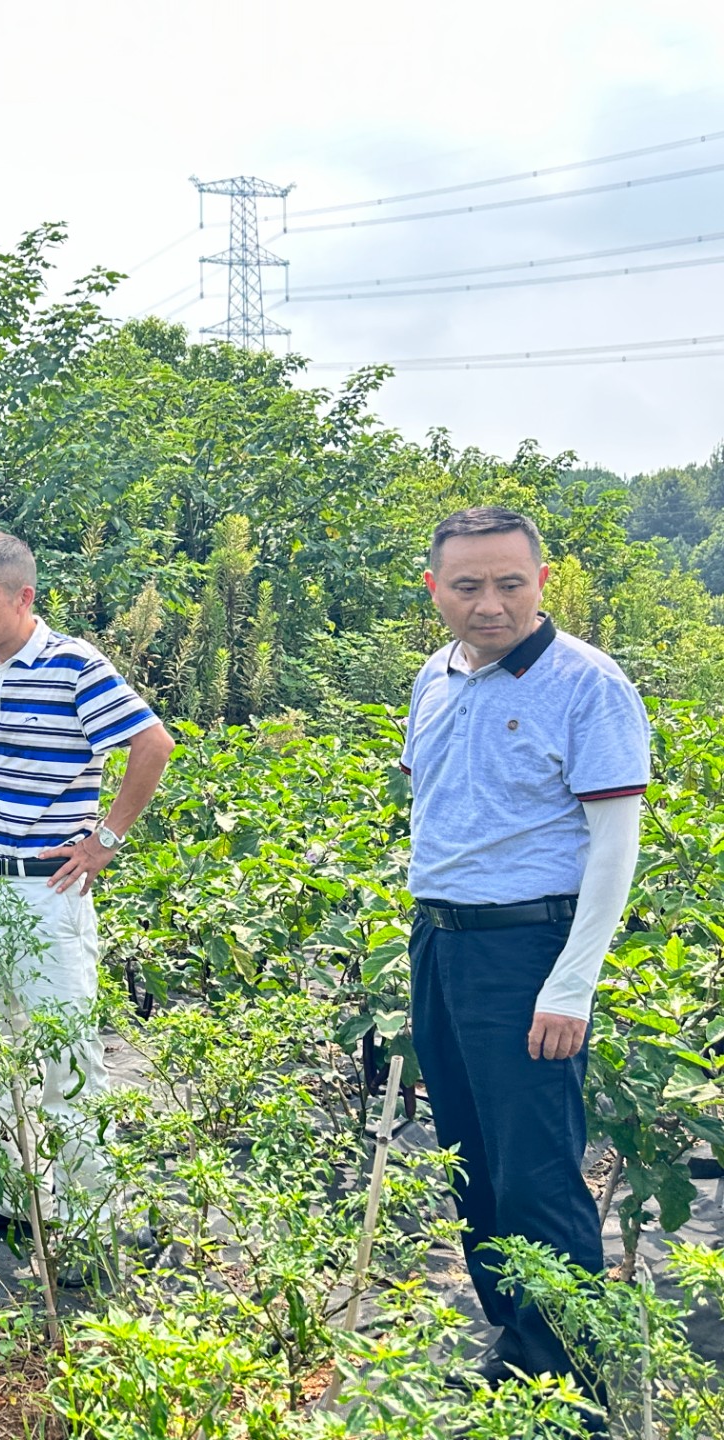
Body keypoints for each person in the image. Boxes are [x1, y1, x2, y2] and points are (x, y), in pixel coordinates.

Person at [402, 506, 648, 1386]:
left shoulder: (589, 683)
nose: (491, 604)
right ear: (436, 590)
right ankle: (517, 1351)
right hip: (441, 943)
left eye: (511, 582)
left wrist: (571, 983)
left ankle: (568, 1384)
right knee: (469, 1159)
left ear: (542, 581)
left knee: (537, 1175)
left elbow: (615, 848)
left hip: (529, 952)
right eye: (467, 586)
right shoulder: (434, 677)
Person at [0, 533, 176, 1236]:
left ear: (23, 597)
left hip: (50, 888)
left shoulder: (74, 665)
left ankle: (95, 1215)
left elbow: (151, 743)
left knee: (64, 1048)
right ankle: (13, 1197)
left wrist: (105, 841)